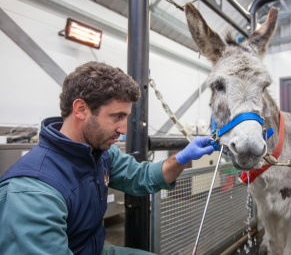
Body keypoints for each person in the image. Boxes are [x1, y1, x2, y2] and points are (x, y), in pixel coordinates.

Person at [0, 61, 214, 255]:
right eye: (117, 117)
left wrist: (183, 158)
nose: (123, 129)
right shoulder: (32, 193)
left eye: (126, 117)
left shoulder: (100, 152)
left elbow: (143, 177)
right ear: (81, 109)